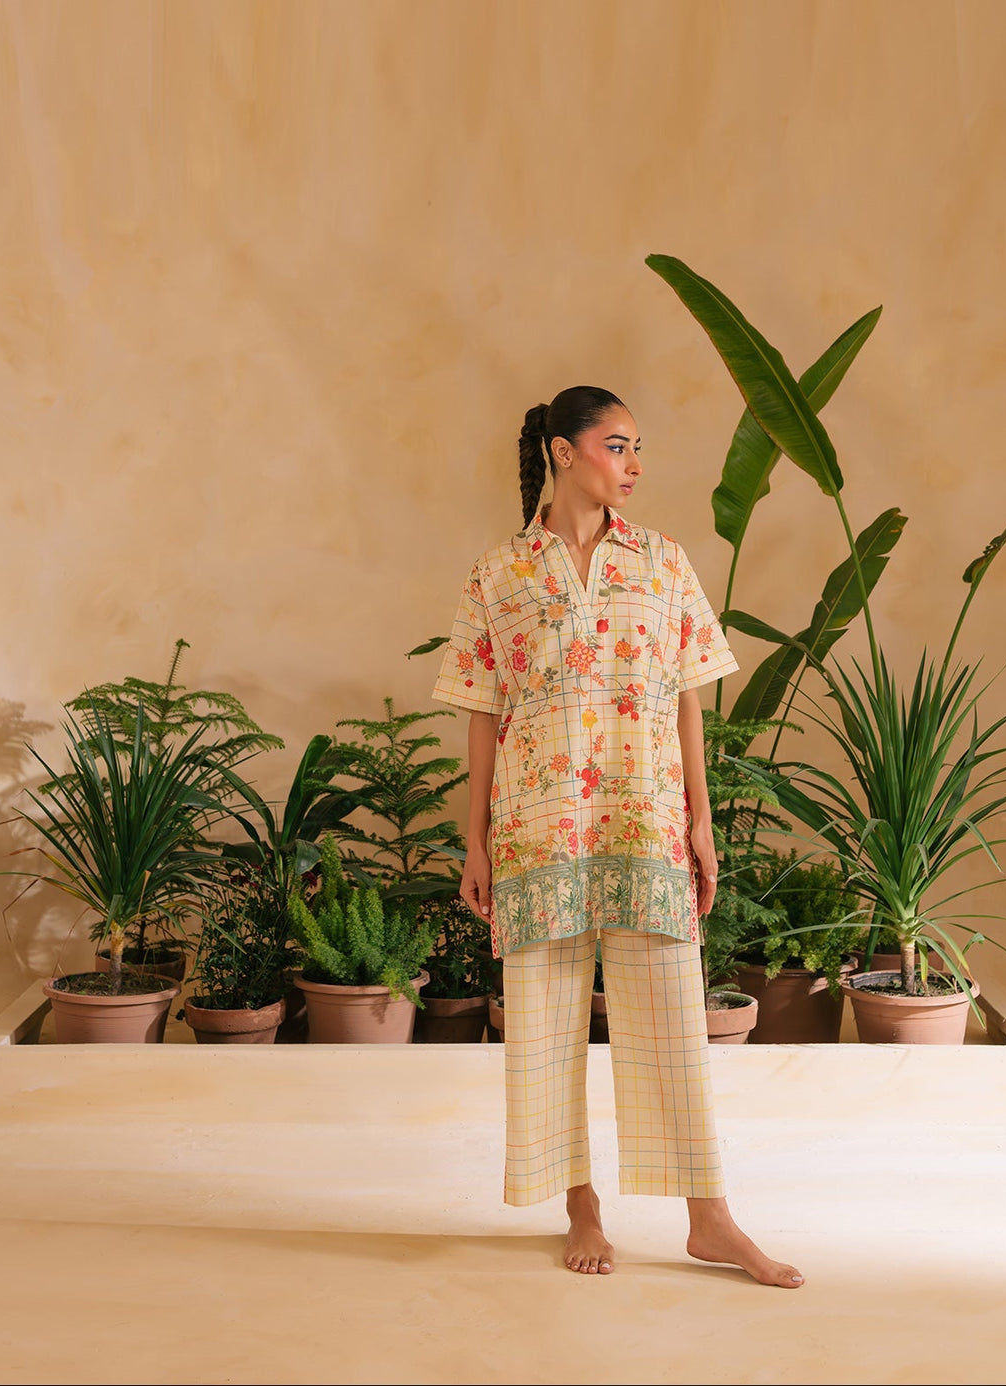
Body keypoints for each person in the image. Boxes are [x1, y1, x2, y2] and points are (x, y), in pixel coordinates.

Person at [431, 385, 804, 1288]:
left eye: (638, 449)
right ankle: (581, 1204)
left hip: (645, 817)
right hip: (538, 828)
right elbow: (482, 713)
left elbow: (689, 702)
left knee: (671, 1022)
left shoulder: (664, 563)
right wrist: (474, 840)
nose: (633, 465)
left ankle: (710, 1220)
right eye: (617, 445)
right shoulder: (499, 574)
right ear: (564, 452)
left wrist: (701, 823)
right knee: (546, 1027)